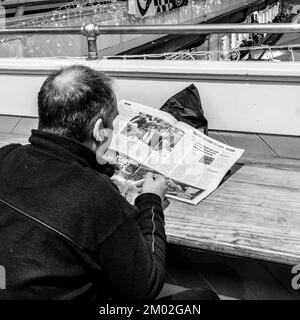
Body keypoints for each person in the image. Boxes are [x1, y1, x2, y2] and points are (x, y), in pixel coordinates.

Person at [0, 65, 218, 301]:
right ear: (98, 130)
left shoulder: (6, 157)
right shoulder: (94, 193)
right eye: (113, 122)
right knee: (202, 299)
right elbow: (146, 287)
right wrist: (152, 202)